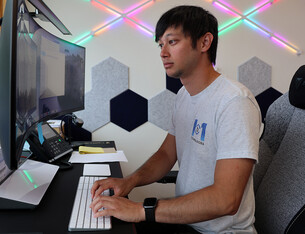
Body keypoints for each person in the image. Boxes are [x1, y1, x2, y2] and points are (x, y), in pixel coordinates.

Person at [90, 5, 261, 233]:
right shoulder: (183, 95)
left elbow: (226, 199)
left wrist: (141, 210)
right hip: (187, 223)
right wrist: (128, 181)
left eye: (172, 42)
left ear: (204, 42)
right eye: (161, 44)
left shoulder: (234, 102)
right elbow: (166, 154)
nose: (162, 52)